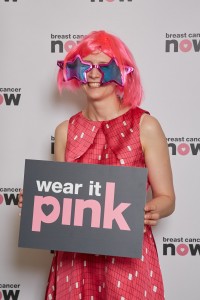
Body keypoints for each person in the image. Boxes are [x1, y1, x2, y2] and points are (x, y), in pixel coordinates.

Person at [18, 30, 175, 300]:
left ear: (123, 73)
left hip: (127, 260)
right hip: (75, 261)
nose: (93, 74)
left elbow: (167, 198)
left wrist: (151, 210)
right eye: (86, 66)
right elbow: (64, 201)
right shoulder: (66, 130)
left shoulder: (145, 126)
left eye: (104, 67)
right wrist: (38, 203)